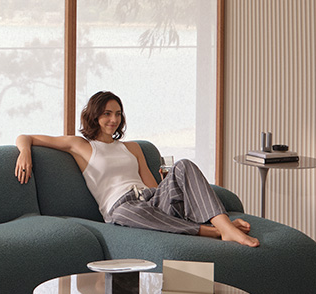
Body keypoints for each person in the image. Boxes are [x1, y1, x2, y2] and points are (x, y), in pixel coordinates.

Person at [15, 90, 259, 247]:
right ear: (94, 115)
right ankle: (212, 231)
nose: (114, 120)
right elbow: (25, 136)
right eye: (107, 113)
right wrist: (25, 152)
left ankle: (225, 226)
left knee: (184, 165)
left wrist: (172, 185)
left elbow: (153, 187)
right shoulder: (81, 145)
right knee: (123, 214)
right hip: (121, 208)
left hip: (151, 202)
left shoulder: (132, 147)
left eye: (118, 114)